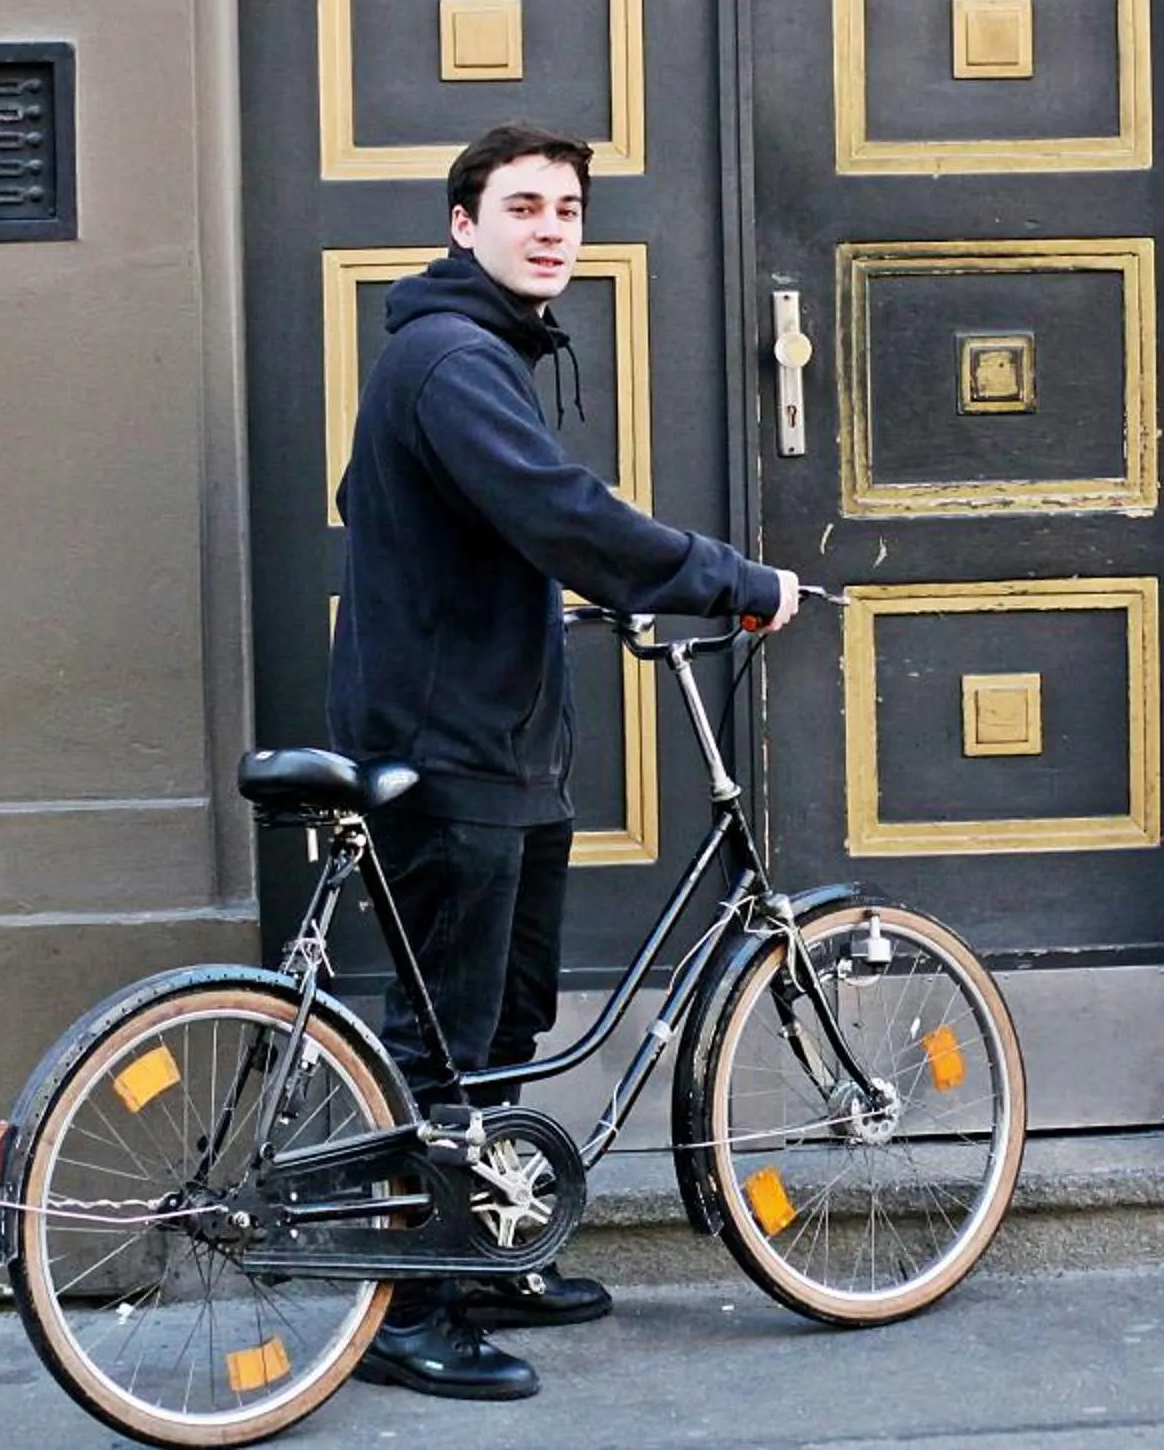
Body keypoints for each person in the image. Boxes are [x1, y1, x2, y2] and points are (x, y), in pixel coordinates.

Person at [328, 121, 799, 1401]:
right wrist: (730, 580)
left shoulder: (480, 355)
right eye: (525, 205)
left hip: (500, 737)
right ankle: (403, 1307)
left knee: (507, 1020)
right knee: (447, 1031)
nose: (552, 228)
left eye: (571, 209)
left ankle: (483, 1252)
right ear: (461, 225)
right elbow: (557, 510)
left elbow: (434, 514)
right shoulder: (447, 359)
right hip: (446, 748)